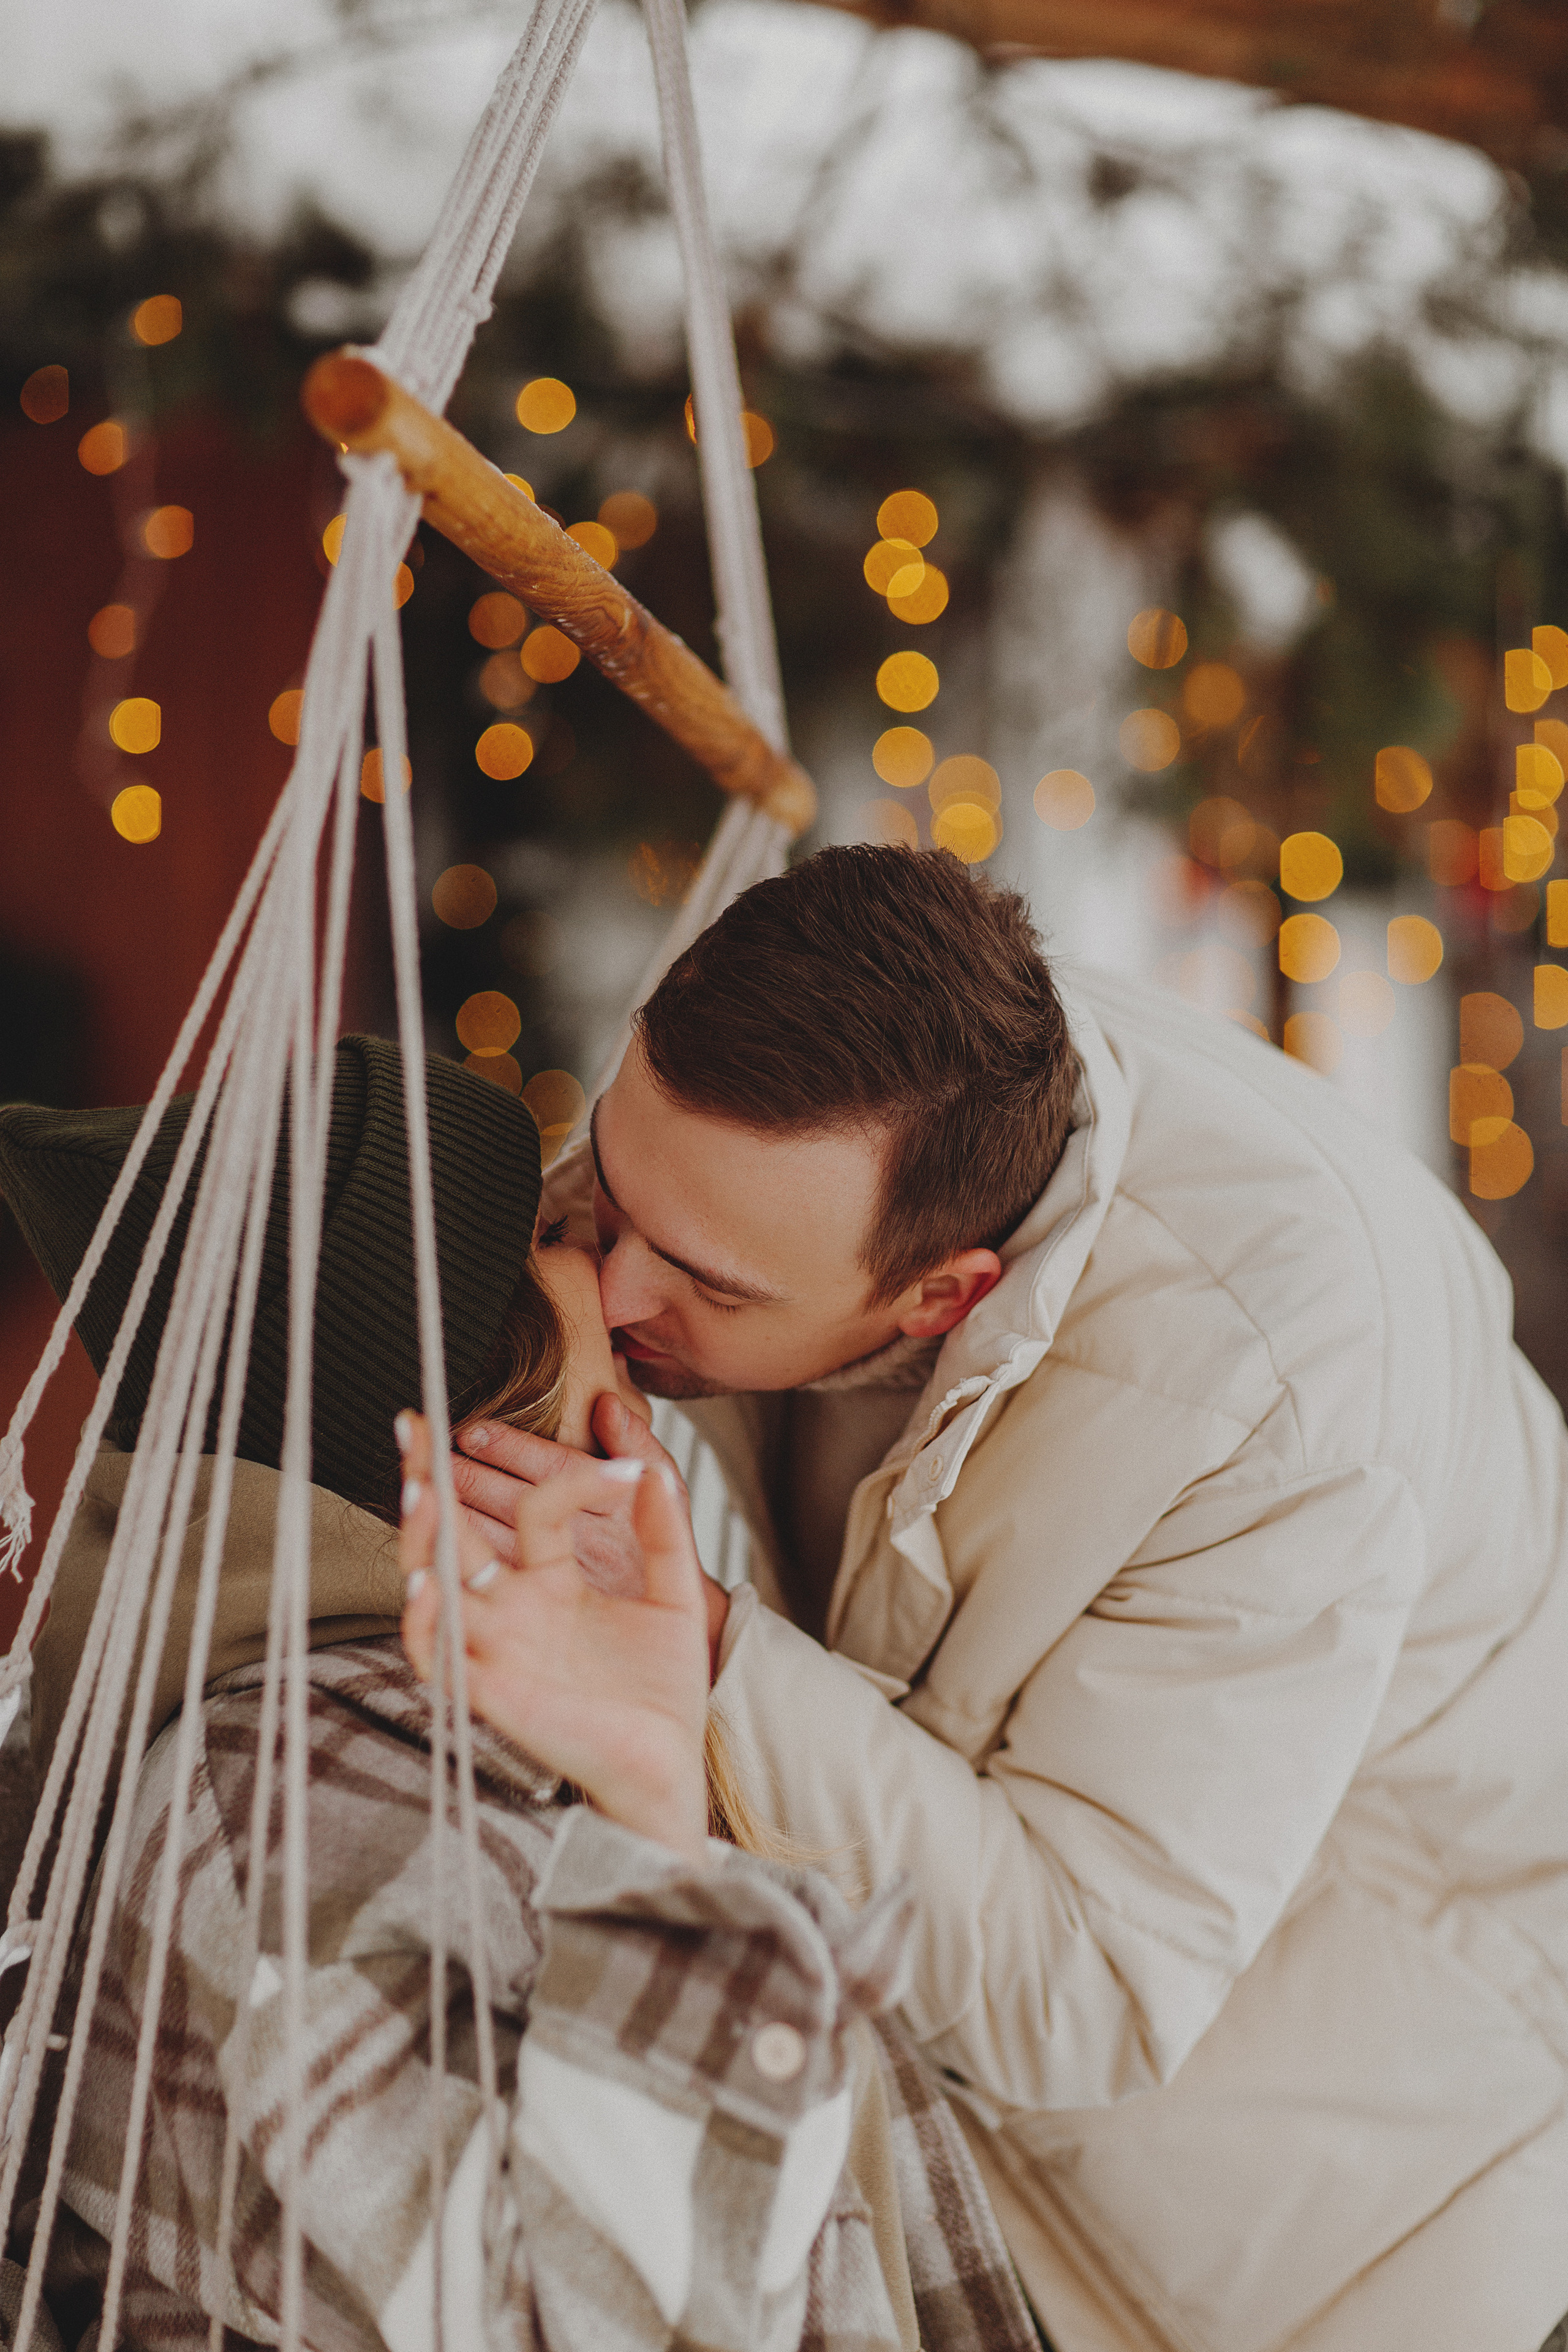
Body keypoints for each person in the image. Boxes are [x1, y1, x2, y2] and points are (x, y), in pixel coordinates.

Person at [451, 845, 1568, 2352]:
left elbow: (1086, 1991)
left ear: (943, 1300)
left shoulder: (1283, 1411)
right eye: (611, 1176)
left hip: (1345, 2206)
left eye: (702, 1284)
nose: (612, 1272)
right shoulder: (870, 1074)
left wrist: (707, 1655)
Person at [0, 1035, 1038, 2352]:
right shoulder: (305, 1789)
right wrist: (655, 1812)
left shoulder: (358, 1718)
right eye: (562, 1245)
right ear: (478, 1381)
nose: (619, 1296)